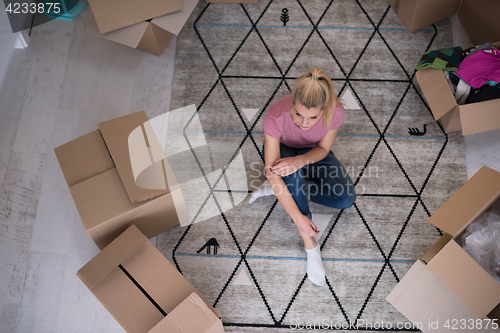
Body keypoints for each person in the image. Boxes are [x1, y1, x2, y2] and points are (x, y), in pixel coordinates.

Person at [252, 68, 356, 286]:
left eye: (313, 118)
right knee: (290, 180)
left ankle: (286, 190)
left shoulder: (335, 111)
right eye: (298, 114)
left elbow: (324, 149)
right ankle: (311, 246)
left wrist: (300, 161)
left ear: (324, 110)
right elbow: (272, 173)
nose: (304, 123)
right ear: (292, 103)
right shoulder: (274, 117)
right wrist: (300, 219)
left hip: (312, 153)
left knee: (345, 199)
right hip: (282, 152)